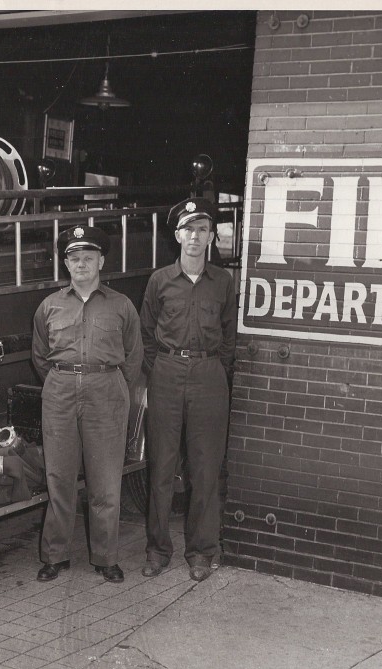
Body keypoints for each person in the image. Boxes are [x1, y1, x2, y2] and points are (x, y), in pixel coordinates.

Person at [31, 225, 143, 583]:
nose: (81, 264)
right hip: (60, 389)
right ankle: (55, 555)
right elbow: (39, 357)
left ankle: (105, 557)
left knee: (105, 480)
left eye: (88, 258)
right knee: (59, 477)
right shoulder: (49, 306)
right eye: (74, 258)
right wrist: (65, 379)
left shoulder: (121, 305)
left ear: (101, 261)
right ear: (66, 264)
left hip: (106, 389)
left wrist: (109, 388)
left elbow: (133, 357)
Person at [140, 198, 236, 582]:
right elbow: (146, 333)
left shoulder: (223, 282)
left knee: (205, 468)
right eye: (188, 230)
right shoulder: (160, 281)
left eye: (202, 230)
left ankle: (201, 552)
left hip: (209, 374)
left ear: (211, 237)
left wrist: (214, 369)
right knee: (161, 467)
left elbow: (229, 336)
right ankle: (158, 549)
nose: (195, 237)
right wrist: (156, 373)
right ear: (177, 235)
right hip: (166, 372)